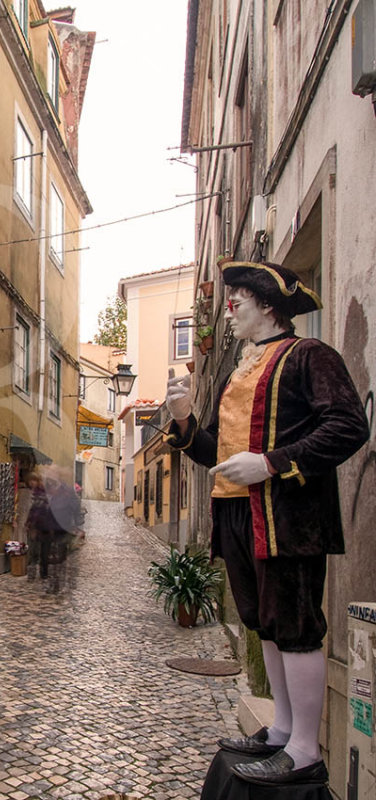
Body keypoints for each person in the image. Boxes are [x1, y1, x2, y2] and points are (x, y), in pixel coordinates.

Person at [165, 259, 369, 786]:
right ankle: (281, 729)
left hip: (286, 516)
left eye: (236, 303)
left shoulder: (310, 356)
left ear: (267, 306)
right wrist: (185, 419)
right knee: (265, 622)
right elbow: (212, 449)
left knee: (297, 626)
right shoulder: (238, 372)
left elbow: (349, 425)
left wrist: (272, 463)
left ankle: (305, 747)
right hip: (236, 510)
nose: (227, 311)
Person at [41, 466, 81, 594]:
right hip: (49, 528)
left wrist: (75, 522)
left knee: (60, 556)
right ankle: (53, 582)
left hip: (63, 527)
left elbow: (75, 505)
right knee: (49, 556)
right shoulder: (48, 489)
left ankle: (57, 583)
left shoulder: (67, 491)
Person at [23, 470, 48, 580]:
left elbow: (38, 511)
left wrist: (33, 525)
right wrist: (28, 522)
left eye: (32, 481)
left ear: (37, 481)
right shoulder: (37, 493)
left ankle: (36, 574)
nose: (31, 484)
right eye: (29, 482)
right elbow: (33, 510)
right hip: (40, 526)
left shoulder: (41, 494)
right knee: (38, 551)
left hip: (41, 526)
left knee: (37, 550)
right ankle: (38, 574)